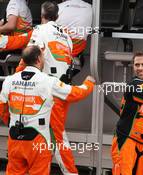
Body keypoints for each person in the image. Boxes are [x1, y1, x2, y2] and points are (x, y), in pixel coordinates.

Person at [0, 45, 95, 174]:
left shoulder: (9, 80)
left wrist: (10, 123)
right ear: (38, 59)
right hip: (38, 140)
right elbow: (75, 93)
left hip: (14, 138)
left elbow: (2, 108)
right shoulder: (49, 81)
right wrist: (89, 84)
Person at [16, 2, 78, 174]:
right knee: (45, 133)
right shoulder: (66, 35)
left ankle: (71, 173)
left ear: (41, 15)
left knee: (57, 136)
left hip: (48, 91)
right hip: (62, 88)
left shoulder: (40, 30)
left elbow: (31, 54)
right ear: (57, 16)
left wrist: (16, 76)